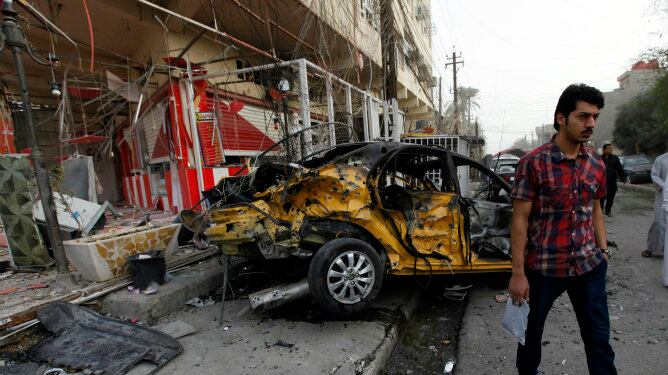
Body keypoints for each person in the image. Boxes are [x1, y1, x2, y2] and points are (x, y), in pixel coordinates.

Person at [509, 83, 616, 375]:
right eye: (583, 116)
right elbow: (519, 219)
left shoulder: (596, 162)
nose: (591, 123)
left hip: (588, 266)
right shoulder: (533, 163)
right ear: (561, 118)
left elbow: (596, 208)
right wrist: (518, 274)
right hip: (544, 268)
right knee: (529, 340)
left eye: (594, 116)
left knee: (599, 341)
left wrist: (603, 250)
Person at [642, 150, 668, 258]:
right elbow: (655, 175)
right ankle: (651, 248)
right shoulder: (661, 159)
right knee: (659, 222)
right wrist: (665, 186)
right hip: (663, 196)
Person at [599, 143, 626, 216]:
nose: (610, 150)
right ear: (604, 150)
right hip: (602, 182)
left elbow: (619, 169)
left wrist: (623, 178)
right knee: (601, 197)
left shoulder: (615, 158)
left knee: (610, 197)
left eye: (611, 148)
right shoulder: (599, 158)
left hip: (612, 182)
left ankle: (608, 211)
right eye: (608, 148)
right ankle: (600, 210)